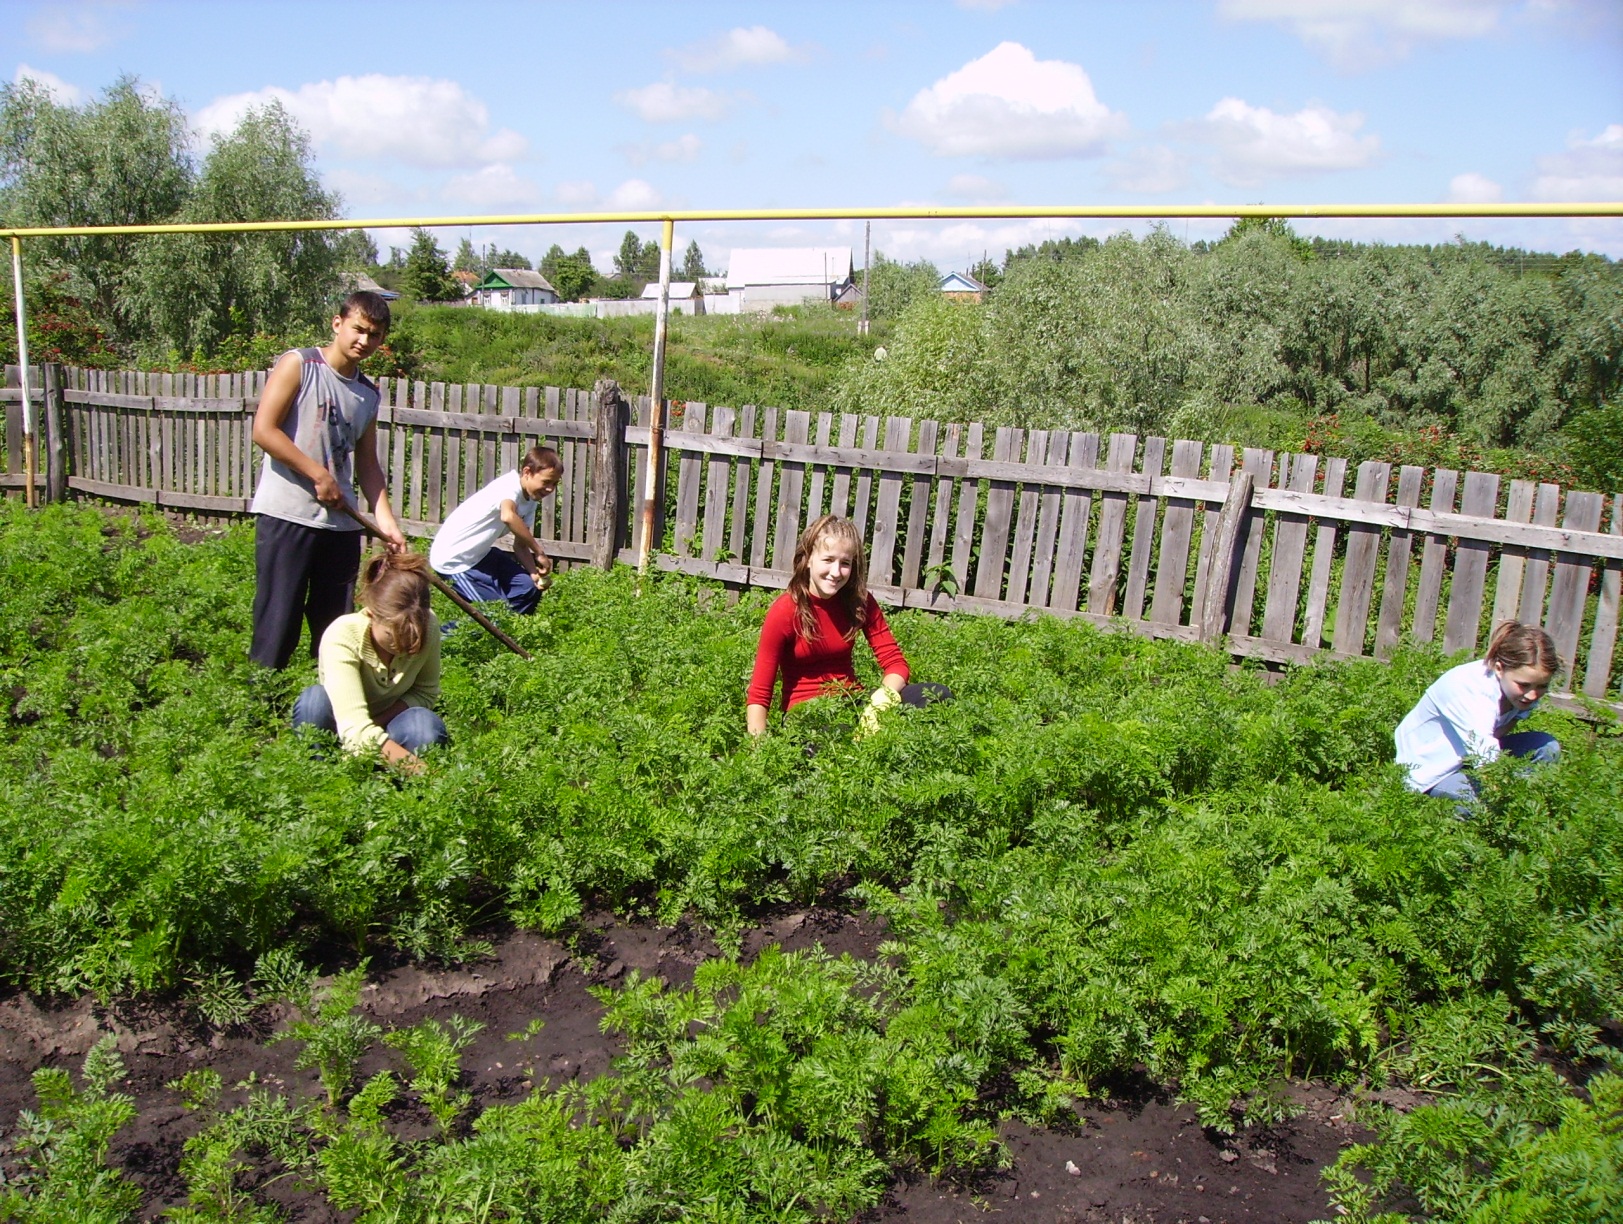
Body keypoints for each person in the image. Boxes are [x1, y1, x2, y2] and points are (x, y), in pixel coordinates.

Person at [248, 290, 406, 670]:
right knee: (278, 614)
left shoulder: (368, 393)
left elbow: (367, 464)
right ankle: (263, 703)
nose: (364, 341)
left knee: (334, 625)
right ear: (337, 324)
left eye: (375, 336)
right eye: (358, 330)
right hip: (288, 514)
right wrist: (318, 473)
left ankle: (328, 702)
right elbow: (264, 431)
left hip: (340, 524)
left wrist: (387, 523)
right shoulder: (300, 365)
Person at [746, 514, 950, 737]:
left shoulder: (858, 601)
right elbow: (759, 694)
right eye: (828, 560)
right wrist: (761, 755)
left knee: (936, 695)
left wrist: (881, 701)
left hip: (853, 702)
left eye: (845, 563)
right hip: (808, 715)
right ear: (808, 559)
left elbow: (896, 663)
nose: (836, 572)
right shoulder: (785, 610)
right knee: (837, 738)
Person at [293, 551, 447, 772]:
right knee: (314, 702)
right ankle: (321, 776)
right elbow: (354, 729)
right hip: (340, 725)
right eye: (393, 633)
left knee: (424, 726)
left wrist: (378, 722)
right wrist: (428, 774)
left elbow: (425, 693)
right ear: (372, 614)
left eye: (414, 634)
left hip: (389, 723)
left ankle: (395, 788)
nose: (404, 643)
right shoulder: (343, 634)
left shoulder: (429, 626)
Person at [1394, 620, 1561, 807]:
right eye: (1523, 685)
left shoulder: (1521, 692)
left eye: (1542, 686)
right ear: (1499, 669)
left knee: (1546, 747)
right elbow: (1487, 760)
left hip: (1468, 758)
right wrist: (1512, 797)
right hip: (1431, 770)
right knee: (1485, 804)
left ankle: (1529, 800)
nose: (1532, 695)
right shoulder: (1471, 690)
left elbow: (1505, 727)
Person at [428, 445, 561, 614]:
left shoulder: (530, 501)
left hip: (480, 555)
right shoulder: (508, 486)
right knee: (493, 614)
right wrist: (539, 552)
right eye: (546, 482)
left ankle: (504, 633)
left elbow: (520, 545)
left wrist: (533, 572)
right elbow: (508, 516)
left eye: (555, 483)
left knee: (527, 588)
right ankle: (443, 637)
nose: (550, 489)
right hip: (455, 560)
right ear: (527, 472)